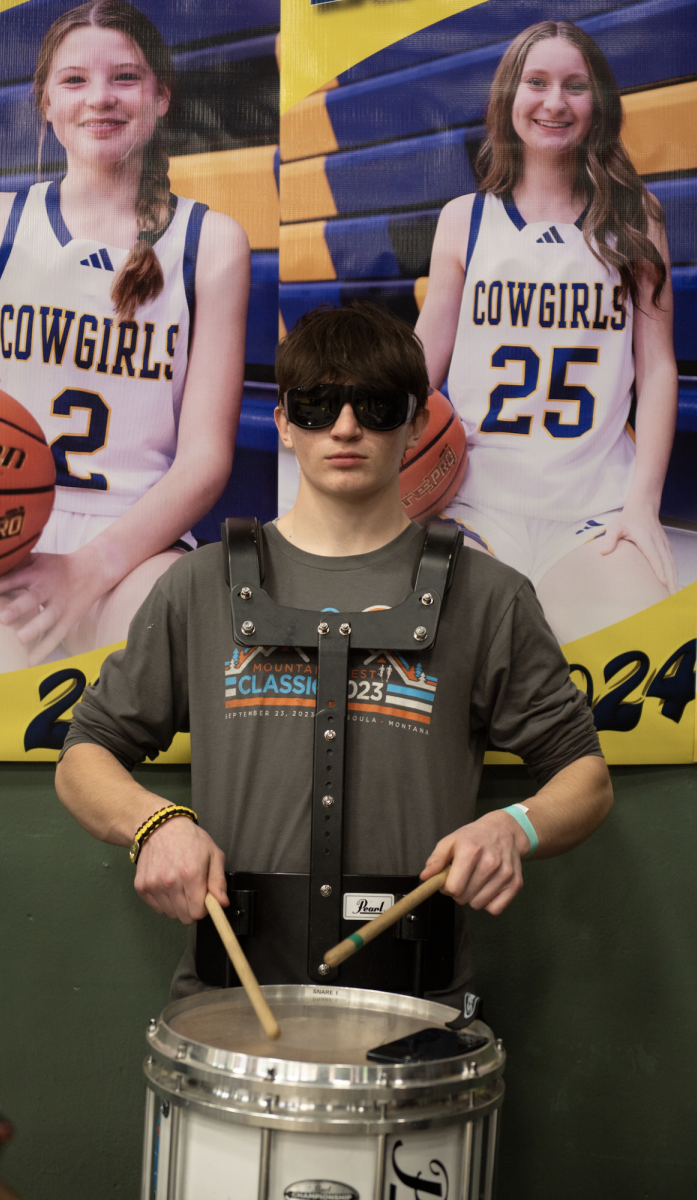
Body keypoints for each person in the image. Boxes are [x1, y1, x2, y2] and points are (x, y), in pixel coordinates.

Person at [55, 303, 612, 1006]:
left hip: (414, 1015)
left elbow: (585, 779)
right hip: (227, 1011)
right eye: (317, 406)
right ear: (284, 423)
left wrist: (513, 825)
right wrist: (154, 823)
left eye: (376, 406)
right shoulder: (199, 585)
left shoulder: (489, 594)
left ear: (414, 426)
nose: (345, 427)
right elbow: (85, 754)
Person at [0, 0, 249, 683]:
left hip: (137, 540)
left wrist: (87, 571)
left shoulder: (211, 242)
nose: (100, 98)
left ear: (159, 98)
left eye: (124, 77)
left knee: (169, 667)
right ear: (45, 102)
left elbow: (204, 459)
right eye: (74, 80)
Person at [415, 21, 679, 645]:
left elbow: (660, 367)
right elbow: (420, 361)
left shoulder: (635, 216)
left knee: (631, 671)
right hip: (473, 507)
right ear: (509, 97)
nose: (555, 102)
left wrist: (643, 504)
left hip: (595, 510)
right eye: (537, 82)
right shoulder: (465, 220)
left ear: (600, 104)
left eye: (575, 86)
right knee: (455, 679)